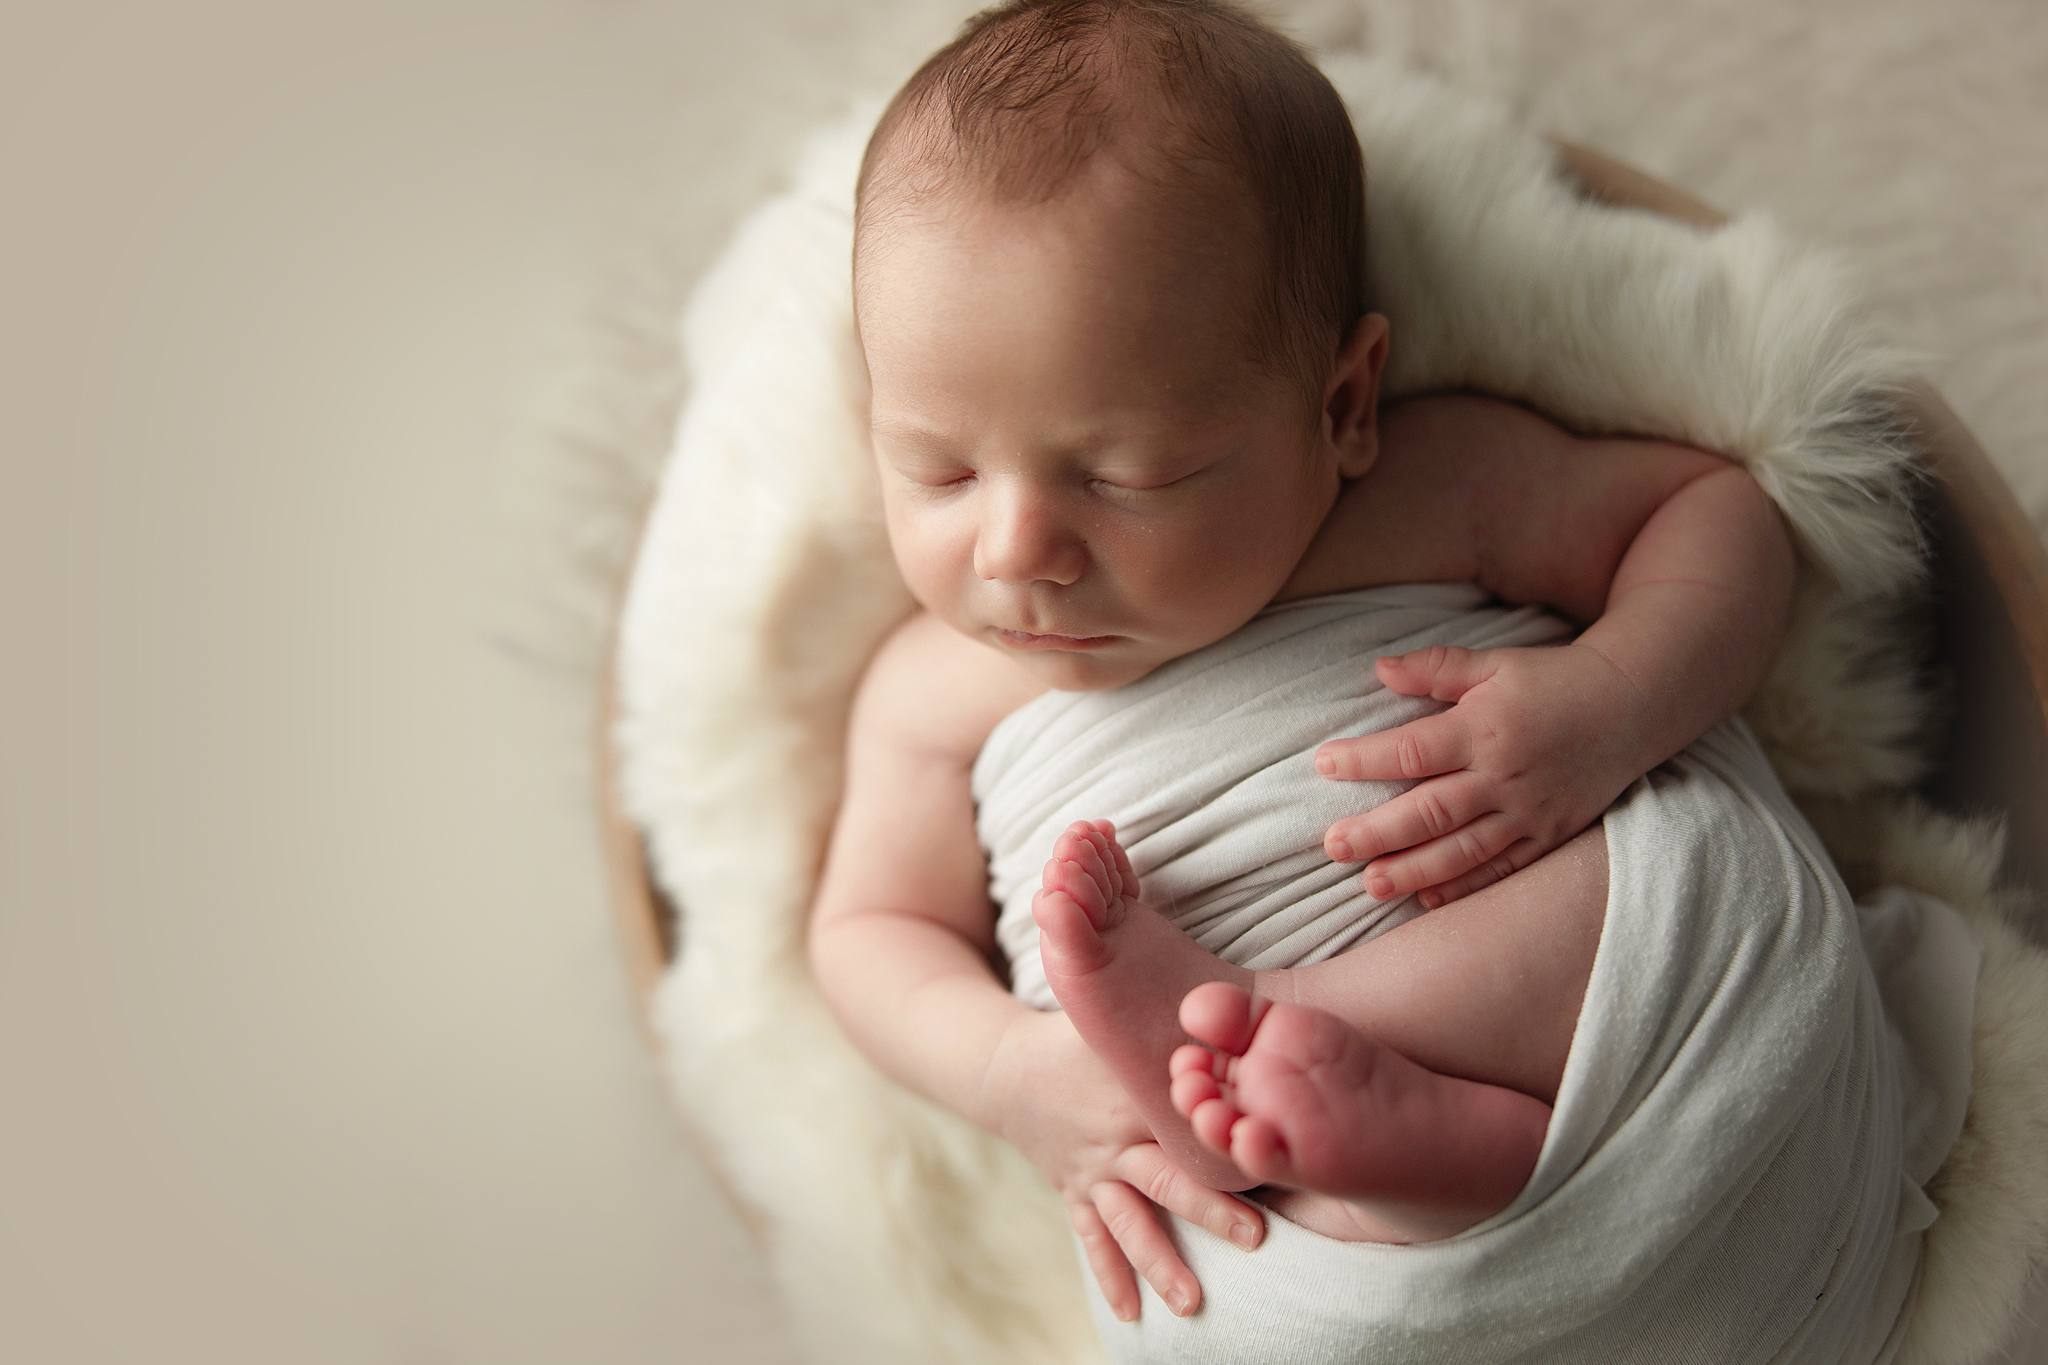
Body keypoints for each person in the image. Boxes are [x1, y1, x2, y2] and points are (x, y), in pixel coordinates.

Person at [808, 2, 1922, 1355]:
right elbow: (867, 933)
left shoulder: (1422, 489)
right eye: (939, 467)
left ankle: (1299, 1047)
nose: (1017, 546)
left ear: (1340, 409)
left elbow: (1718, 517)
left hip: (1666, 1060)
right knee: (1210, 1262)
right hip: (1289, 1210)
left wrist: (1606, 705)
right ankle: (1407, 1165)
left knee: (1699, 872)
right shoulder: (924, 692)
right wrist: (1012, 1074)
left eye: (1118, 475)